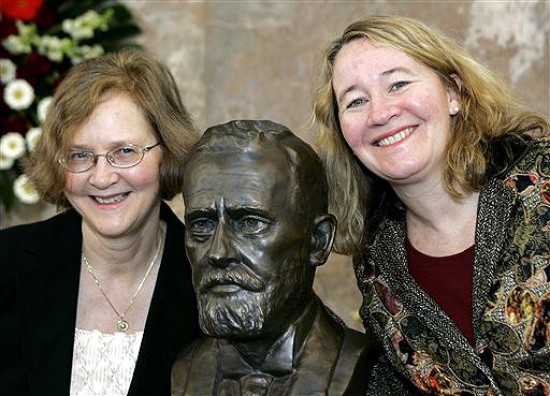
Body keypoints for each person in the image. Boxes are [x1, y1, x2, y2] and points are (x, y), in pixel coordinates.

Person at [313, 14, 550, 395]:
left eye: (398, 83)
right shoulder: (377, 261)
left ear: (453, 93)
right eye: (355, 101)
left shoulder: (542, 181)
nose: (380, 113)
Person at [0, 50, 203, 396]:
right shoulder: (7, 264)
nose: (102, 177)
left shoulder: (208, 283)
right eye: (80, 155)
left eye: (124, 151)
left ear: (167, 151)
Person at [171, 119, 379, 396]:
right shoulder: (184, 367)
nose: (218, 252)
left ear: (318, 241)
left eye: (249, 223)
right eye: (202, 225)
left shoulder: (364, 365)